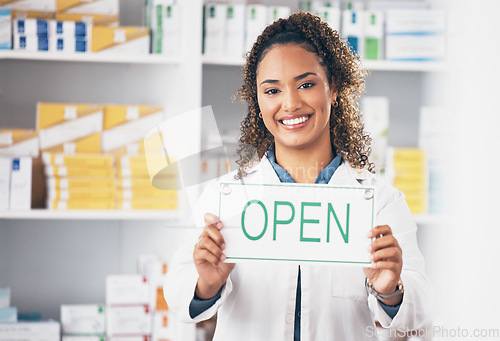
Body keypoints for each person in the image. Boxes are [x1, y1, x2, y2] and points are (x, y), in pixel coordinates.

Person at [165, 12, 431, 340]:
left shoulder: (381, 202)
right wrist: (206, 284)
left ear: (333, 87)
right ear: (258, 102)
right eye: (272, 90)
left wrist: (390, 288)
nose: (290, 104)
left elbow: (419, 311)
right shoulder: (228, 196)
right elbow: (178, 295)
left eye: (306, 84)